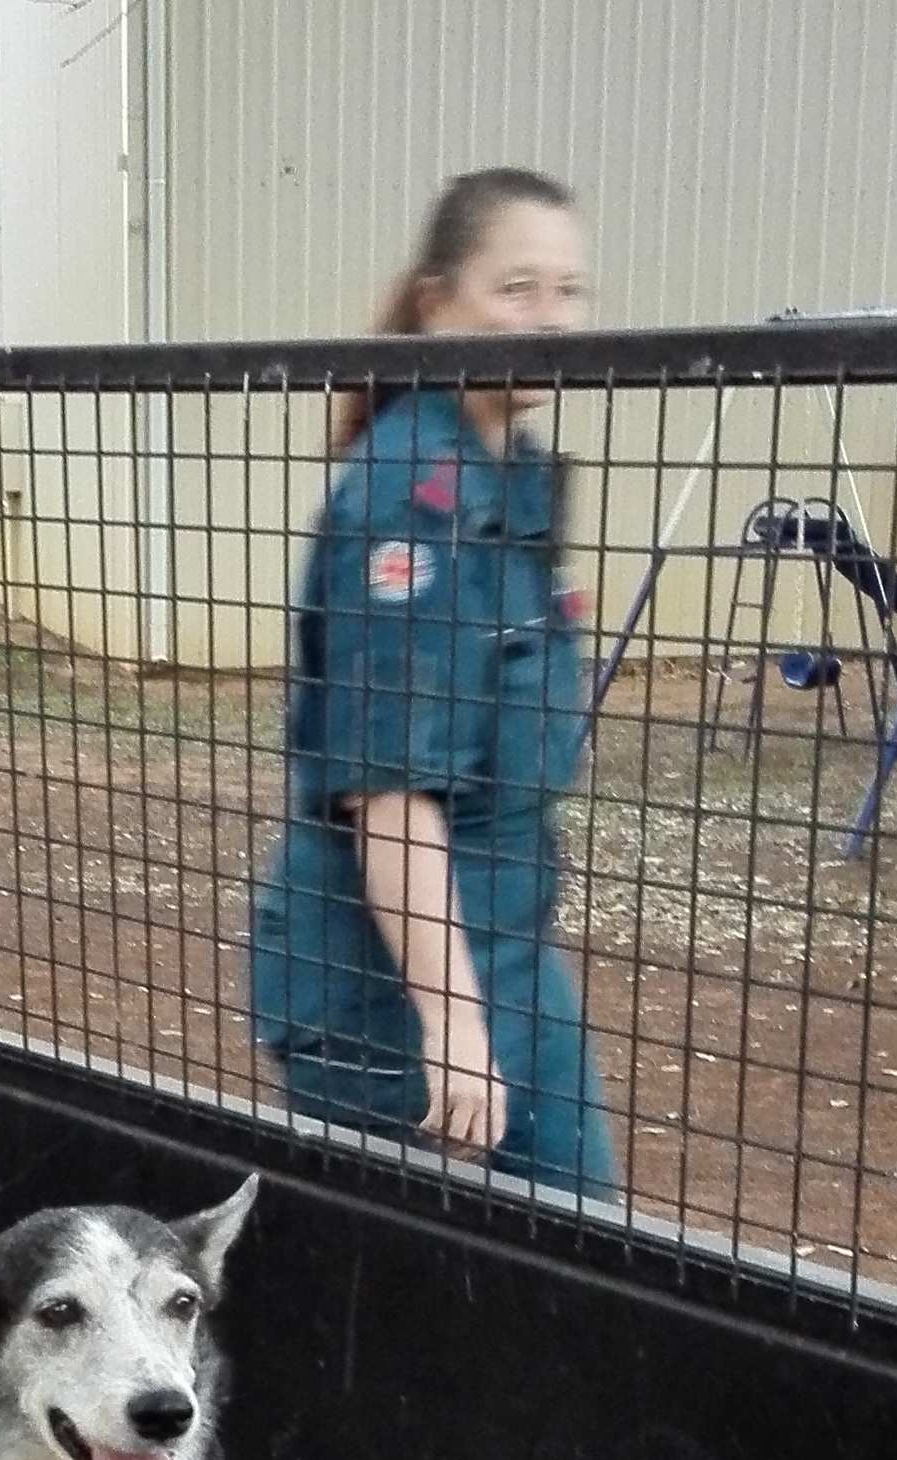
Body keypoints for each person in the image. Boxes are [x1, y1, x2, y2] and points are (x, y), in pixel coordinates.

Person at [250, 168, 617, 1198]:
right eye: (516, 288)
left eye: (568, 290)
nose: (548, 318)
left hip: (504, 948)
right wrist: (449, 1025)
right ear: (434, 300)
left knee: (582, 1252)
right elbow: (391, 795)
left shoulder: (511, 476)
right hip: (388, 989)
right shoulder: (409, 505)